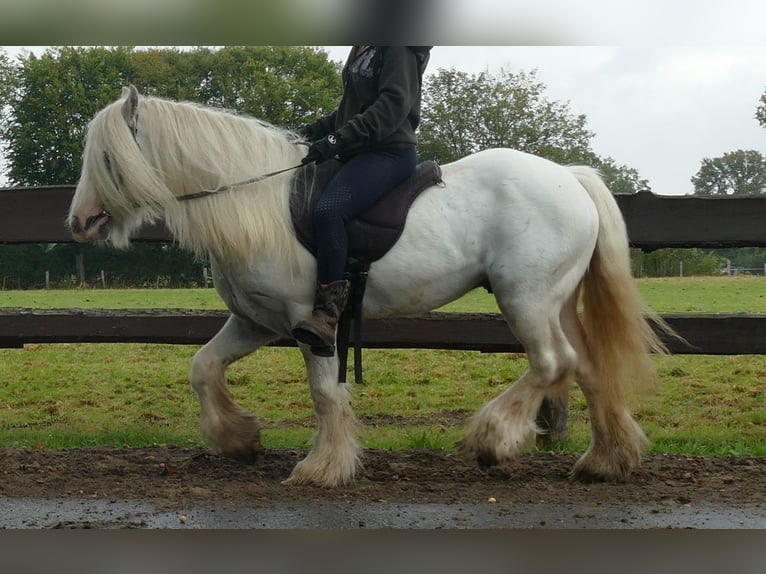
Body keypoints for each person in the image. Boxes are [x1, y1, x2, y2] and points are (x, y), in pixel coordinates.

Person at [292, 45, 431, 357]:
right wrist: (310, 132)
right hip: (357, 151)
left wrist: (338, 139)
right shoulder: (363, 46)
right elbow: (350, 109)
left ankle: (327, 315)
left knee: (330, 211)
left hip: (388, 152)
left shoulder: (399, 46)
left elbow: (393, 105)